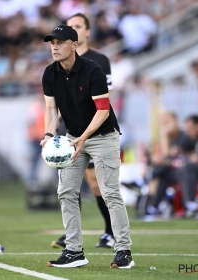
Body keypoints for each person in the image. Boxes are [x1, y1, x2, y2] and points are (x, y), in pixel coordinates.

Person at [41, 24, 134, 269]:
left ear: (74, 44)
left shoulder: (93, 70)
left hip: (103, 136)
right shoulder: (49, 73)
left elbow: (103, 110)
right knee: (66, 192)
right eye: (52, 43)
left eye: (60, 42)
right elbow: (51, 109)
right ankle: (74, 251)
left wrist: (84, 137)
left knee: (110, 192)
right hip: (73, 137)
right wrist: (49, 134)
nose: (55, 47)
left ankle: (123, 250)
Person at [51, 13, 116, 250]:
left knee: (97, 184)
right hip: (69, 129)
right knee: (69, 183)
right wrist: (53, 128)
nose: (73, 29)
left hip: (94, 129)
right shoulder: (58, 63)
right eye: (70, 27)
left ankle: (110, 231)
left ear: (87, 32)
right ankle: (71, 235)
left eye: (78, 26)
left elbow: (103, 100)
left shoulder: (98, 61)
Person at [145, 114, 198, 217]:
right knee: (165, 173)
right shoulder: (192, 138)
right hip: (187, 171)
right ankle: (154, 207)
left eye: (190, 128)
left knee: (185, 167)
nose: (188, 131)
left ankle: (191, 205)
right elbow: (171, 154)